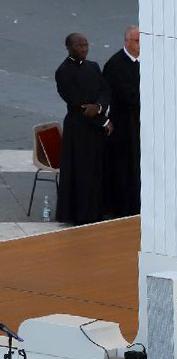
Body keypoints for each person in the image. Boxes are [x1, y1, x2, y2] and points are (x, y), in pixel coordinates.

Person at [54, 33, 110, 225]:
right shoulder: (63, 72)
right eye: (79, 46)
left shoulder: (93, 67)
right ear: (68, 47)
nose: (84, 48)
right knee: (80, 172)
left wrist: (100, 108)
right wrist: (103, 122)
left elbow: (105, 90)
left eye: (86, 45)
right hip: (78, 130)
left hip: (94, 129)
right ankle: (79, 214)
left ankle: (96, 211)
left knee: (96, 170)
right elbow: (79, 105)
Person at [101, 26, 141, 218]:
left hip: (140, 124)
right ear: (126, 42)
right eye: (137, 41)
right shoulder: (115, 64)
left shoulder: (147, 60)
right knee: (125, 167)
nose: (141, 45)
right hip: (125, 126)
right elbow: (126, 96)